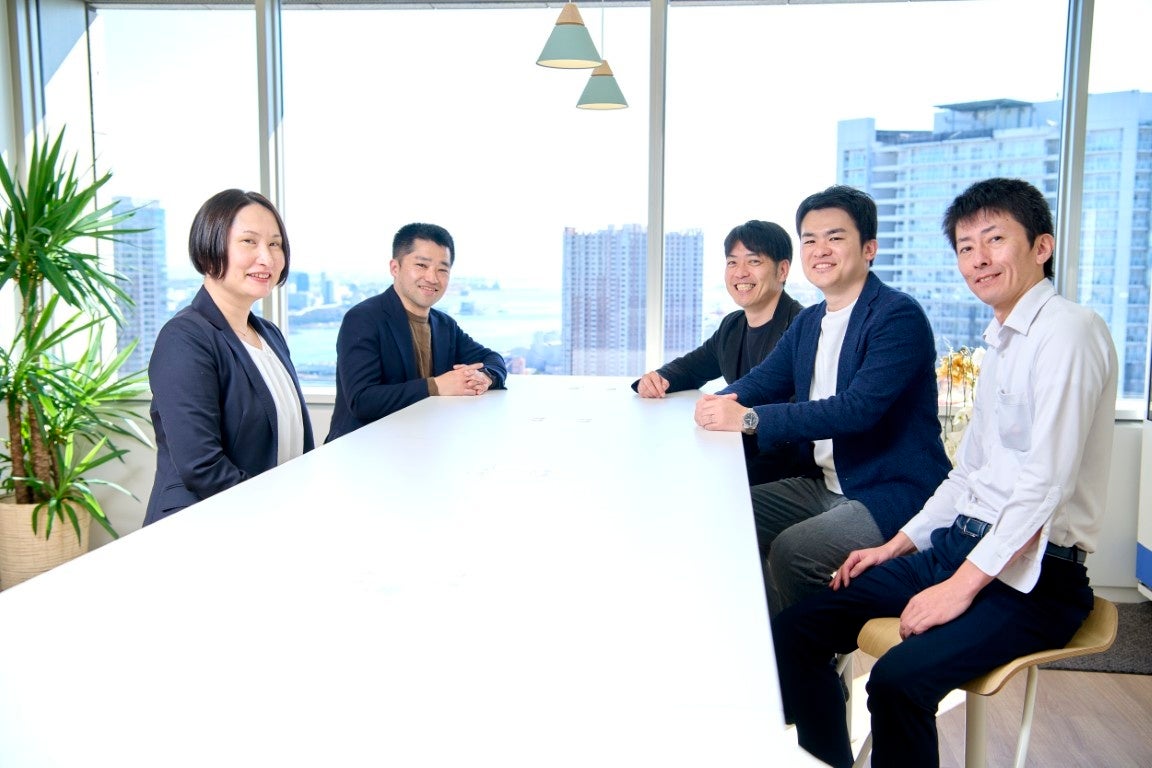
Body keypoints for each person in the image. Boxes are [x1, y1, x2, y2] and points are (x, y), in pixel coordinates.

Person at [772, 178, 1118, 768]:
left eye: (995, 240)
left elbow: (1045, 486)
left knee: (898, 682)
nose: (978, 259)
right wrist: (896, 546)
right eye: (965, 246)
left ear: (1041, 247)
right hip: (958, 547)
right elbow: (966, 478)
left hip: (1034, 577)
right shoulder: (1003, 342)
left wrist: (958, 589)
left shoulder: (1069, 331)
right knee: (796, 630)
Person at [694, 186, 950, 616]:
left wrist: (750, 419)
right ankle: (771, 635)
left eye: (835, 237)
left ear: (869, 248)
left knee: (793, 551)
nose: (820, 250)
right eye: (810, 239)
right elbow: (763, 380)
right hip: (825, 484)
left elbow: (856, 410)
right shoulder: (811, 321)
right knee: (724, 511)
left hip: (889, 490)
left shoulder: (896, 316)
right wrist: (715, 405)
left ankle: (807, 649)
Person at [145, 189, 314, 525]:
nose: (267, 258)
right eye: (249, 242)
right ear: (209, 248)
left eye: (275, 244)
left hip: (267, 521)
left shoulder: (270, 335)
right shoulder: (185, 338)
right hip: (203, 527)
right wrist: (274, 513)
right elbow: (202, 466)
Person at [632, 220, 806, 484]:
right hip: (737, 456)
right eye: (732, 262)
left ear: (782, 270)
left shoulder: (801, 327)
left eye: (754, 261)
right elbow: (691, 368)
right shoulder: (733, 326)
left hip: (784, 472)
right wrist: (658, 379)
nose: (740, 273)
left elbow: (798, 423)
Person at [326, 223, 507, 442]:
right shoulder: (363, 318)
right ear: (395, 268)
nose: (432, 278)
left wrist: (484, 377)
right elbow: (362, 400)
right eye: (421, 265)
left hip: (421, 444)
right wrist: (438, 385)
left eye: (442, 269)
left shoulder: (444, 325)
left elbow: (493, 359)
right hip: (361, 448)